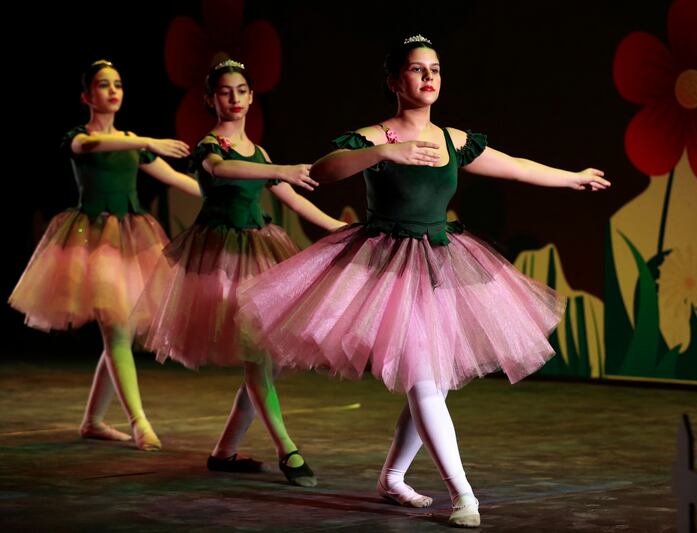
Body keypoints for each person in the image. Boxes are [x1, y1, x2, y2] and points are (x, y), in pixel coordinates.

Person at [236, 35, 609, 526]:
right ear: (394, 81)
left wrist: (572, 176)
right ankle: (464, 496)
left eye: (434, 69)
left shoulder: (454, 140)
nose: (428, 77)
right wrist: (388, 153)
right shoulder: (374, 137)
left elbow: (515, 168)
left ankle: (393, 477)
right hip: (384, 265)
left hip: (439, 262)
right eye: (416, 70)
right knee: (425, 379)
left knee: (430, 378)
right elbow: (323, 172)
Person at [133, 59, 343, 486]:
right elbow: (222, 170)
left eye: (242, 90)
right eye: (226, 91)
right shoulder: (211, 146)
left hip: (260, 251)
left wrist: (342, 227)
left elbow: (291, 197)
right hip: (220, 260)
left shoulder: (259, 153)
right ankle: (289, 451)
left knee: (267, 362)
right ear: (211, 99)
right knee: (259, 360)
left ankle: (225, 451)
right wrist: (278, 170)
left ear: (251, 96)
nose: (235, 98)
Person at [9, 59, 201, 451]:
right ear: (86, 96)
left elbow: (178, 179)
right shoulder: (79, 138)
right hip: (90, 242)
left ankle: (93, 421)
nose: (113, 91)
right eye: (103, 85)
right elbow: (94, 145)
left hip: (133, 241)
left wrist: (222, 188)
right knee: (116, 328)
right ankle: (139, 422)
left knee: (121, 335)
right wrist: (145, 141)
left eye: (117, 84)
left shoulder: (133, 143)